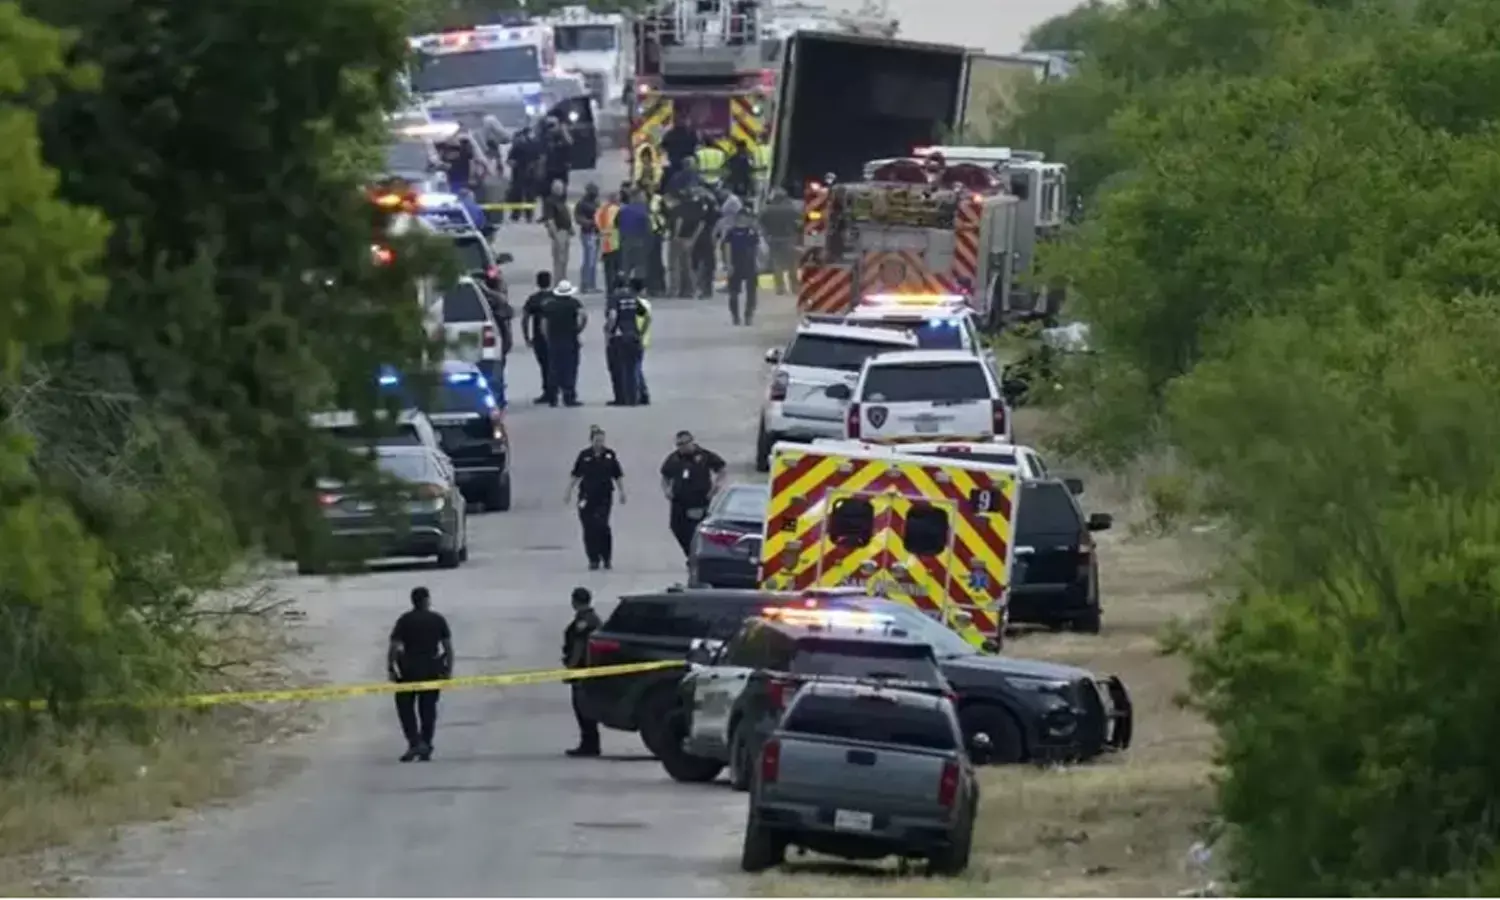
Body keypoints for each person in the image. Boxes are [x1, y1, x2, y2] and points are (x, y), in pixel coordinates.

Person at [387, 586, 452, 762]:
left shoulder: (404, 620)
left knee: (405, 708)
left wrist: (391, 668)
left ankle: (414, 742)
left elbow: (394, 646)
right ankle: (426, 743)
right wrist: (448, 670)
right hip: (431, 668)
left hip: (408, 670)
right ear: (427, 600)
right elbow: (447, 648)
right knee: (428, 708)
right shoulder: (437, 619)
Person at [566, 426, 626, 569]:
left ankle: (606, 557)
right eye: (597, 440)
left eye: (601, 440)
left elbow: (617, 475)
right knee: (588, 527)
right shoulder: (584, 455)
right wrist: (568, 491)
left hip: (604, 496)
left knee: (602, 525)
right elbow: (576, 475)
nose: (599, 443)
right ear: (591, 440)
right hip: (586, 496)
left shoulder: (609, 455)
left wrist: (622, 492)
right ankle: (593, 558)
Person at [659, 431, 726, 556]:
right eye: (679, 444)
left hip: (698, 500)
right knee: (676, 528)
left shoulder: (704, 456)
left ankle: (697, 555)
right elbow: (665, 476)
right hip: (678, 501)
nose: (682, 447)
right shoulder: (674, 458)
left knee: (694, 530)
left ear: (692, 442)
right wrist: (667, 490)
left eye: (685, 443)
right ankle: (690, 553)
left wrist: (717, 485)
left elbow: (721, 469)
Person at [561, 587, 603, 757]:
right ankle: (589, 743)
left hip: (583, 669)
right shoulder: (592, 618)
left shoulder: (584, 621)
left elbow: (579, 647)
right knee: (584, 708)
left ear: (575, 601)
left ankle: (589, 744)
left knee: (582, 708)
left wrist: (571, 669)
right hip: (588, 668)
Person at [542, 279, 586, 407]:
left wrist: (547, 337)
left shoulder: (549, 305)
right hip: (570, 339)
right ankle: (569, 396)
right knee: (570, 368)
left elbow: (544, 324)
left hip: (554, 340)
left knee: (553, 368)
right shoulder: (574, 303)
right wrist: (578, 329)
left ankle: (553, 396)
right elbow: (583, 316)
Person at [604, 277, 643, 406]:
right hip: (634, 334)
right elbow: (643, 315)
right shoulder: (634, 297)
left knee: (617, 369)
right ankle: (633, 397)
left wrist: (609, 330)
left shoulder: (614, 298)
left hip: (619, 335)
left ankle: (621, 398)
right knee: (631, 368)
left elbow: (613, 315)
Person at [721, 208, 763, 326]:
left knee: (751, 292)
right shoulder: (732, 232)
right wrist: (728, 264)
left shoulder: (752, 232)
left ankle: (748, 315)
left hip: (750, 264)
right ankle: (736, 316)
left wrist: (758, 263)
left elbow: (757, 248)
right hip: (736, 264)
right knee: (734, 292)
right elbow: (727, 248)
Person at [521, 271, 556, 404]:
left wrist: (527, 337)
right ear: (550, 281)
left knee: (545, 365)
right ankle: (557, 389)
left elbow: (525, 319)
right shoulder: (556, 297)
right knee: (556, 363)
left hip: (539, 338)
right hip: (556, 336)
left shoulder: (533, 299)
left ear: (537, 283)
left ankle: (548, 391)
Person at [758, 187, 800, 295]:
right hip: (789, 239)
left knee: (777, 264)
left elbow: (761, 224)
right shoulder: (791, 209)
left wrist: (766, 235)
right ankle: (794, 287)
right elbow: (799, 222)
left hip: (773, 239)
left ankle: (780, 287)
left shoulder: (767, 210)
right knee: (792, 264)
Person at [668, 184, 706, 298]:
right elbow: (701, 224)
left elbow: (679, 221)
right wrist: (693, 239)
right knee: (687, 266)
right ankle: (690, 290)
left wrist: (676, 235)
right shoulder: (697, 208)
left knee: (674, 265)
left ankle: (674, 289)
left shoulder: (678, 208)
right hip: (690, 239)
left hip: (678, 239)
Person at [617, 189, 652, 282]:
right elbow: (648, 226)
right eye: (643, 196)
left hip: (626, 240)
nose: (645, 198)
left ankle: (626, 283)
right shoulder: (645, 209)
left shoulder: (623, 210)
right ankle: (639, 285)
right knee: (640, 264)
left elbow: (618, 225)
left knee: (626, 264)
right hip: (640, 239)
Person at [542, 179, 573, 283]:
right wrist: (555, 235)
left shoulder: (561, 200)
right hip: (559, 232)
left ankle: (563, 280)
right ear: (554, 189)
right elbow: (550, 220)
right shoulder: (550, 202)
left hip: (566, 232)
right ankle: (558, 282)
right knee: (559, 260)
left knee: (565, 260)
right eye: (560, 188)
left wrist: (570, 228)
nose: (562, 190)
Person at [506, 128, 539, 222]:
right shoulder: (522, 145)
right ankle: (522, 214)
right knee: (522, 194)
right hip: (522, 173)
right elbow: (510, 160)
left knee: (525, 195)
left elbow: (510, 160)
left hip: (524, 173)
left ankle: (522, 214)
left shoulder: (528, 145)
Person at [574, 183, 601, 294]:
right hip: (587, 233)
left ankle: (592, 284)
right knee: (588, 260)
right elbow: (578, 218)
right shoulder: (582, 204)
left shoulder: (596, 203)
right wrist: (590, 223)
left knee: (593, 261)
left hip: (596, 233)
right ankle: (585, 284)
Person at [661, 120, 698, 187]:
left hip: (674, 160)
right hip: (687, 160)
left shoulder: (670, 134)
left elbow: (663, 146)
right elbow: (695, 144)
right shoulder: (690, 133)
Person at [596, 191, 622, 290]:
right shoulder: (616, 209)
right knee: (616, 268)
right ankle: (615, 289)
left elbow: (597, 223)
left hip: (604, 243)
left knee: (608, 269)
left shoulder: (601, 209)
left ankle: (609, 289)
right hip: (615, 242)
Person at [543, 116, 574, 191]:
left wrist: (563, 130)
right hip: (550, 167)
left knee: (562, 187)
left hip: (561, 166)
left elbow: (569, 143)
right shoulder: (545, 137)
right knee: (548, 188)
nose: (550, 129)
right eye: (549, 126)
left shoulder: (563, 136)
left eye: (552, 125)